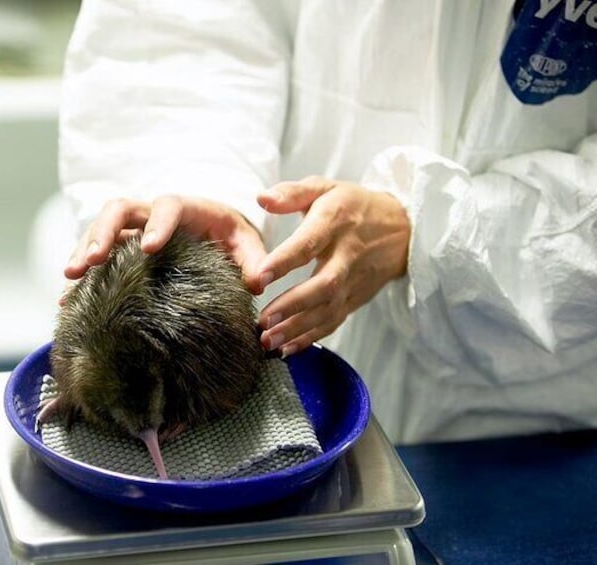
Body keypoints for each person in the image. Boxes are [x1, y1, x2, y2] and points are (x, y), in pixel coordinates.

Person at [55, 0, 597, 444]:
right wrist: (199, 177)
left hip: (535, 418)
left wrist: (432, 234)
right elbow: (189, 29)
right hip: (294, 366)